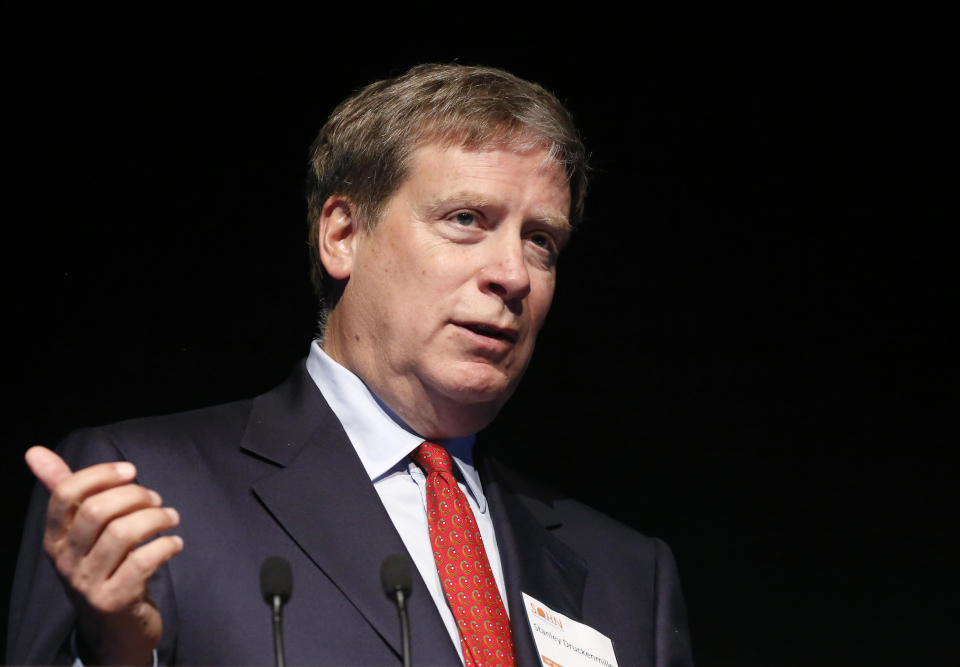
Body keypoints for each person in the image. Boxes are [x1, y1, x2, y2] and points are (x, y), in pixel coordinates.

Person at [8, 64, 693, 666]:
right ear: (342, 234)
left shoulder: (628, 575)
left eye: (541, 240)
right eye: (465, 219)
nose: (513, 273)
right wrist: (120, 654)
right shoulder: (153, 493)